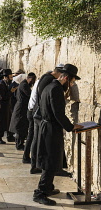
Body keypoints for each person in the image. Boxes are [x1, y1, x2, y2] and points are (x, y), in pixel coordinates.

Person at [33, 64, 83, 206]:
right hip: (50, 129)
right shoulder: (56, 89)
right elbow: (58, 113)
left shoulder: (50, 86)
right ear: (66, 78)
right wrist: (71, 126)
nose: (72, 85)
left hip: (48, 127)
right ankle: (40, 193)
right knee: (49, 161)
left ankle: (48, 187)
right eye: (72, 81)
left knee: (52, 159)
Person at [30, 65, 64, 174]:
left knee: (37, 140)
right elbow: (45, 97)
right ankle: (41, 166)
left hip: (37, 112)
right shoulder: (50, 81)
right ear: (59, 73)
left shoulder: (45, 77)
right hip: (42, 114)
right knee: (42, 142)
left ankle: (36, 165)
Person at [9, 72, 36, 150]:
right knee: (20, 126)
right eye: (33, 80)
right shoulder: (24, 85)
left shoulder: (23, 84)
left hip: (22, 107)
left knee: (21, 126)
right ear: (30, 78)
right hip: (21, 108)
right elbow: (29, 95)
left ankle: (20, 143)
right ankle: (19, 145)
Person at [0, 69, 17, 144]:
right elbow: (3, 97)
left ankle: (10, 136)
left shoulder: (6, 84)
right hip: (2, 107)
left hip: (7, 107)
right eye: (10, 77)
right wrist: (11, 92)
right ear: (6, 77)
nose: (11, 79)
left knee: (9, 122)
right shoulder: (0, 85)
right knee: (1, 123)